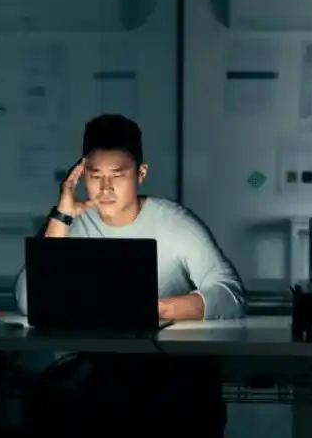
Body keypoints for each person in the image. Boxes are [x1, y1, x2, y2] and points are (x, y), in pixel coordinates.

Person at [17, 114, 245, 436]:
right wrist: (61, 216)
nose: (105, 188)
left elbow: (230, 293)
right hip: (100, 368)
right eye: (95, 176)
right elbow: (30, 298)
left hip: (169, 367)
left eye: (118, 176)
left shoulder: (173, 222)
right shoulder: (71, 222)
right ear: (80, 175)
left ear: (141, 174)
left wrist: (155, 308)